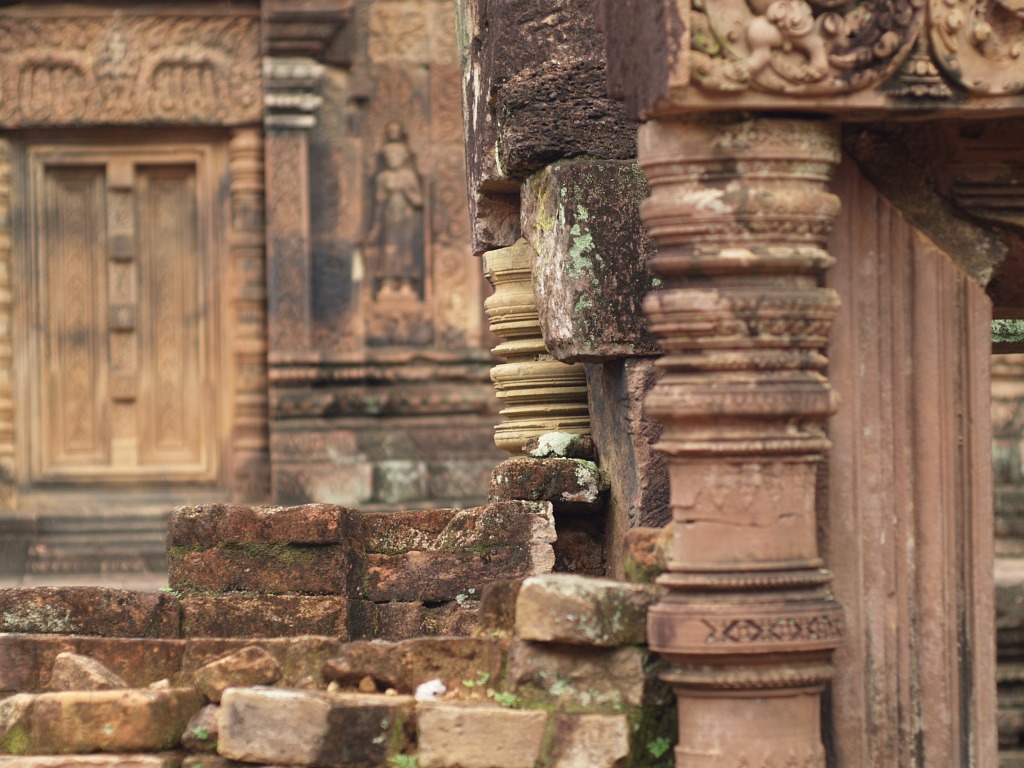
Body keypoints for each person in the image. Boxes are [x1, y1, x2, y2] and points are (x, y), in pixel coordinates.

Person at [364, 122, 424, 299]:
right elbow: (378, 202)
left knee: (406, 249)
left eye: (397, 155)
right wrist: (375, 225)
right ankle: (387, 283)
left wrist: (405, 191)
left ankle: (406, 283)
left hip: (407, 218)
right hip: (388, 219)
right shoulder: (383, 177)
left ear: (404, 157)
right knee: (388, 249)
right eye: (389, 155)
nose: (393, 158)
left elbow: (419, 201)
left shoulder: (408, 176)